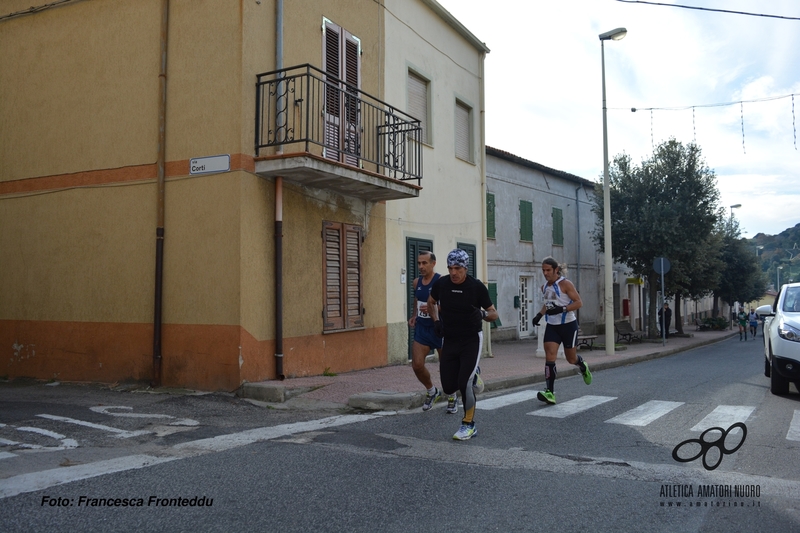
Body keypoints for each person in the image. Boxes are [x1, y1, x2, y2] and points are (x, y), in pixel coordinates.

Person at [428, 249, 497, 440]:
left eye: (457, 268)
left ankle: (468, 425)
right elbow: (431, 301)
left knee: (463, 383)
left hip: (471, 339)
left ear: (465, 268)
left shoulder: (476, 287)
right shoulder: (441, 284)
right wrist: (435, 321)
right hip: (449, 338)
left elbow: (494, 313)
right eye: (450, 268)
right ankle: (475, 375)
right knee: (449, 387)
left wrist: (483, 314)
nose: (453, 272)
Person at [531, 257, 592, 405]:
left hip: (568, 325)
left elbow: (579, 302)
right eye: (543, 270)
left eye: (548, 270)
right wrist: (539, 315)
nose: (545, 273)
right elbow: (548, 304)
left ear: (556, 270)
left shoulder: (565, 284)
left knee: (571, 359)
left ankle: (582, 365)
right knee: (550, 357)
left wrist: (562, 308)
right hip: (552, 326)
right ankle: (550, 392)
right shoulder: (544, 287)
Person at [407, 251, 455, 412]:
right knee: (417, 365)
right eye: (419, 263)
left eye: (424, 263)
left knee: (445, 367)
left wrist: (433, 308)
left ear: (433, 263)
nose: (421, 266)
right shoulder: (416, 282)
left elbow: (450, 304)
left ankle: (452, 395)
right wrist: (414, 315)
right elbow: (417, 299)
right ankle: (432, 391)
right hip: (422, 328)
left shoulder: (441, 281)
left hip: (440, 328)